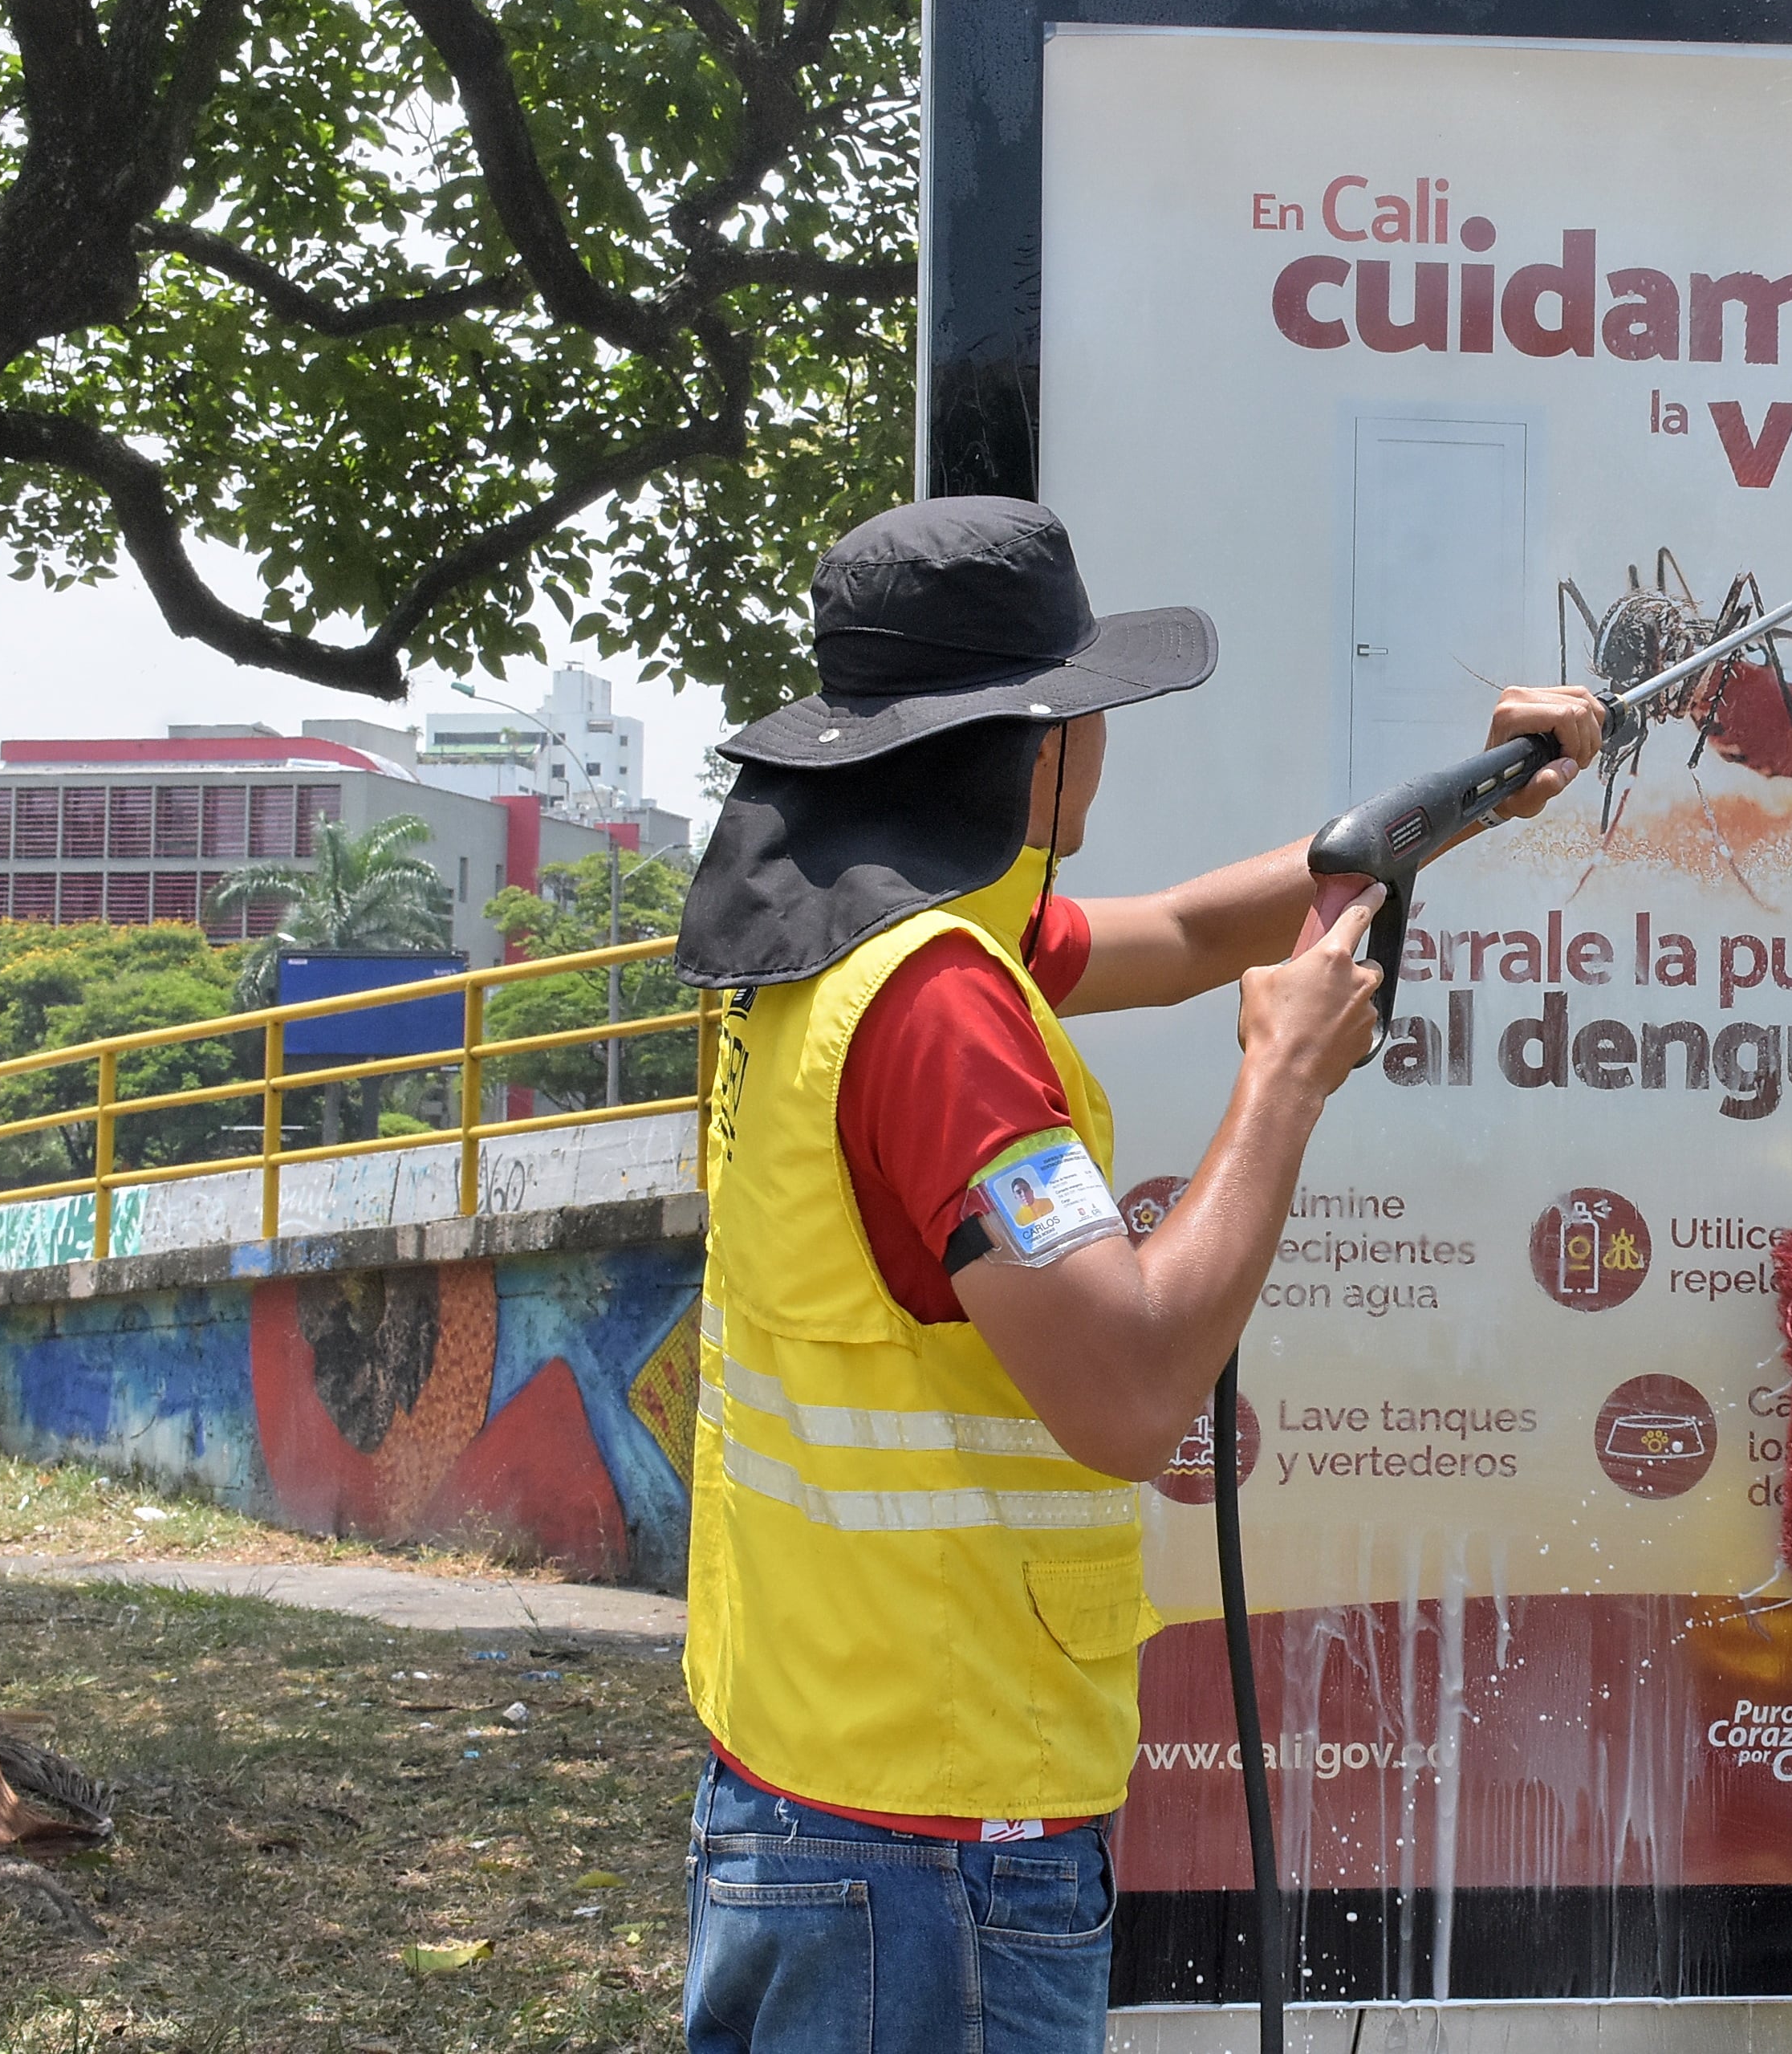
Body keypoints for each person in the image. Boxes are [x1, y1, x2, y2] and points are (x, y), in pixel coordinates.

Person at [668, 496, 1599, 2052]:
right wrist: (1284, 1079)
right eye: (1086, 707)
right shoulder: (939, 1018)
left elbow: (1173, 931)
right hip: (937, 1859)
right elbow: (1130, 1386)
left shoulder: (845, 945)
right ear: (1032, 745)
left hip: (803, 1805)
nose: (1102, 740)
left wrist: (1461, 810)